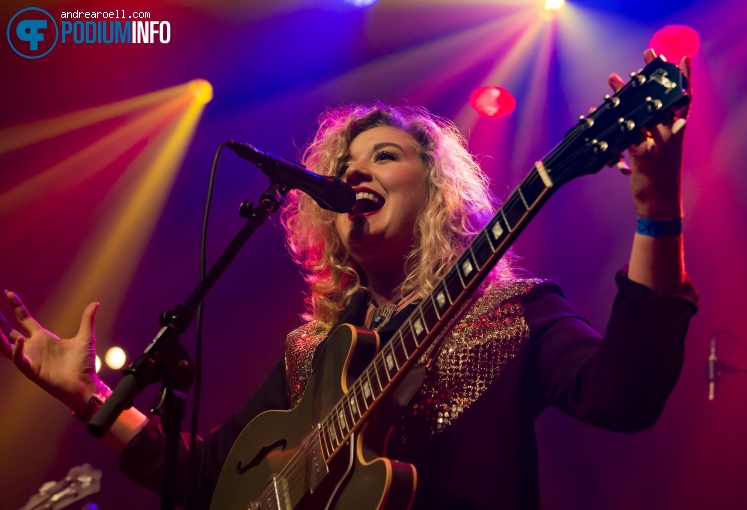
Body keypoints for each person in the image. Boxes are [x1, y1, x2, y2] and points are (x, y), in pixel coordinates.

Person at [1, 49, 697, 509]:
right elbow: (204, 478)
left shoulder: (514, 315)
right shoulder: (313, 353)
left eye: (383, 156)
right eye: (342, 166)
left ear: (437, 194)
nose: (353, 173)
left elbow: (624, 397)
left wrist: (655, 211)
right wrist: (84, 393)